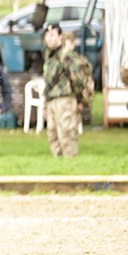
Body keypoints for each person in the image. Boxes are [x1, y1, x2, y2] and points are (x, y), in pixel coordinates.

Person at [41, 24, 92, 157]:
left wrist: (80, 99)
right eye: (47, 35)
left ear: (60, 36)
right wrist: (46, 105)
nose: (49, 38)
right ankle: (59, 168)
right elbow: (48, 82)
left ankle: (70, 167)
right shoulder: (49, 57)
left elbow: (77, 79)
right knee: (53, 136)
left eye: (52, 35)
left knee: (67, 136)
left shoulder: (66, 56)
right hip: (52, 100)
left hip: (65, 99)